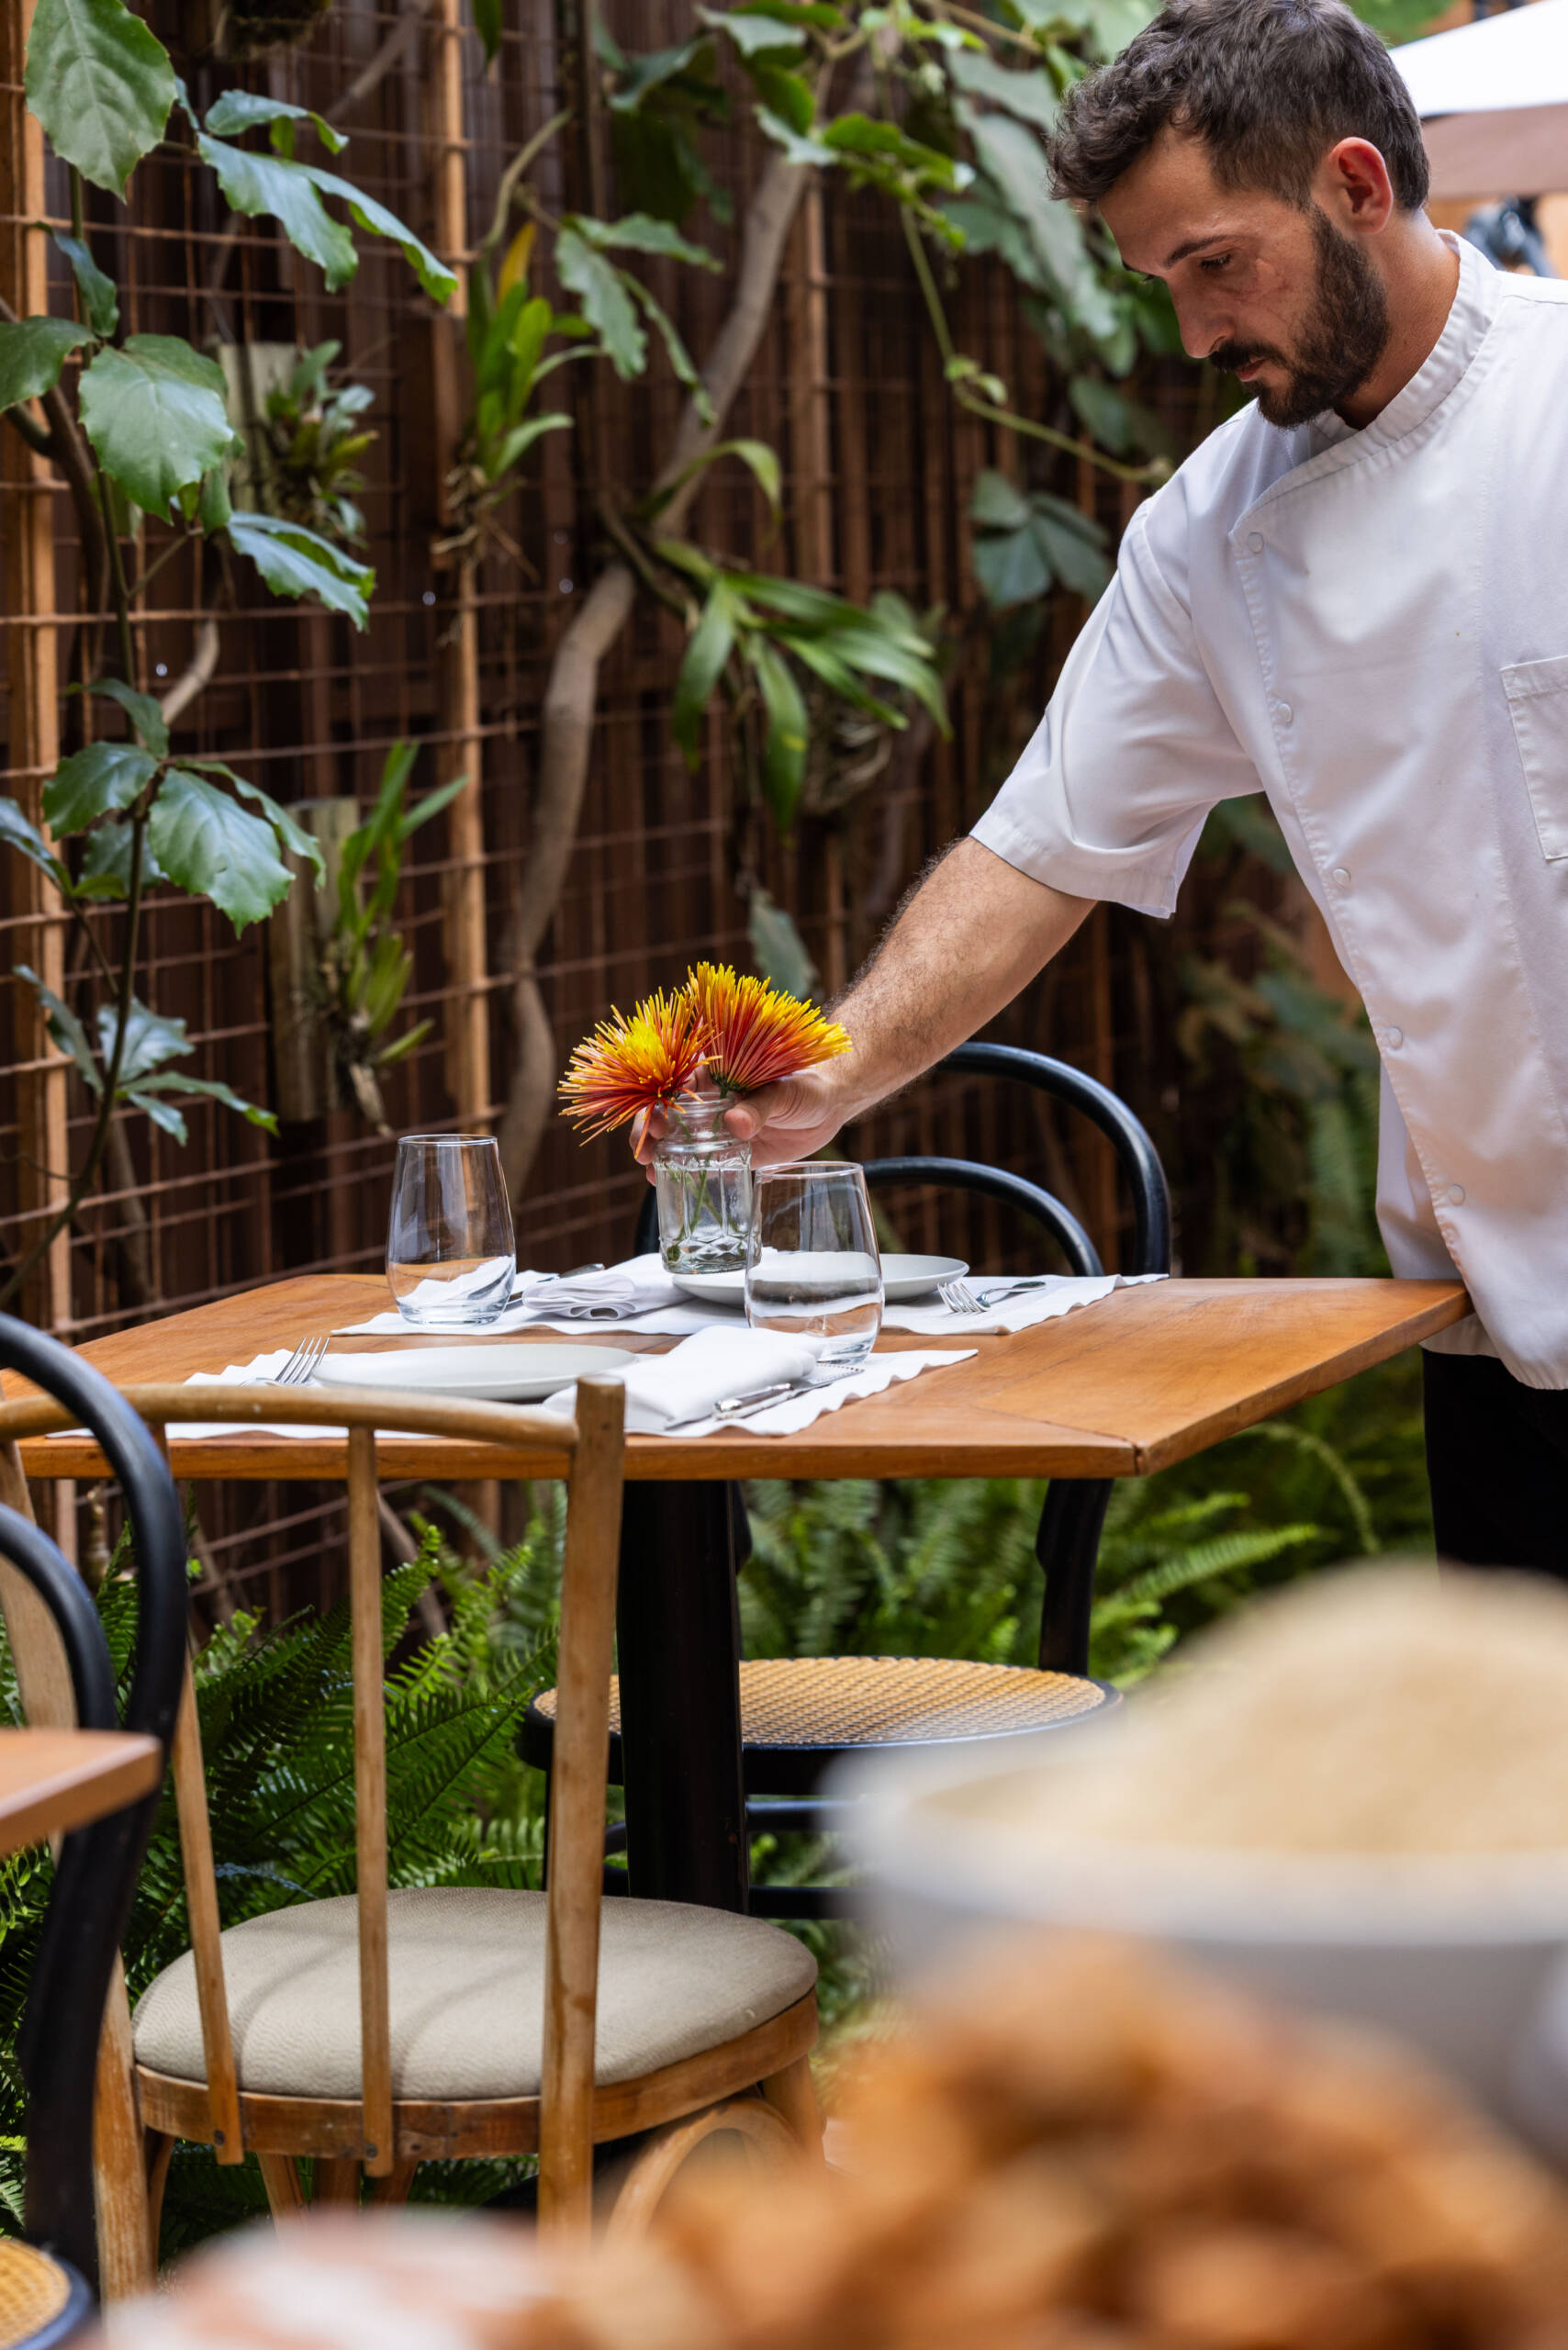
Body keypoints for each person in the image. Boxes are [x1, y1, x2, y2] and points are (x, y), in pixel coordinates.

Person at [642, 0, 1568, 1579]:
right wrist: (831, 1074)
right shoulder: (1209, 533)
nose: (1196, 334)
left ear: (1357, 184)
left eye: (1217, 264)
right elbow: (1042, 844)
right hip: (1501, 1331)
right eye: (1163, 284)